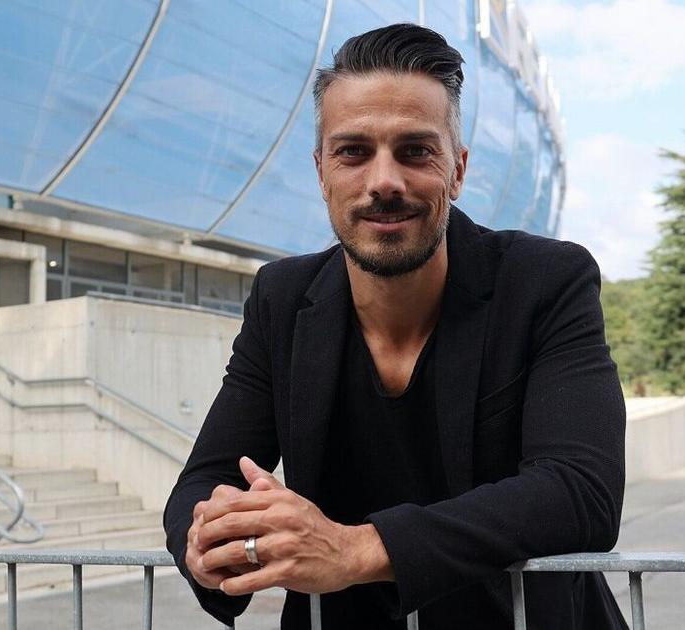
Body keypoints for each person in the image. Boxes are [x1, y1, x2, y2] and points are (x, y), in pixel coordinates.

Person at [163, 23, 627, 629]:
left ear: (457, 171)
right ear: (322, 172)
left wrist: (355, 550)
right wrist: (211, 539)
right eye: (353, 152)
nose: (384, 181)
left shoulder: (545, 281)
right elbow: (205, 479)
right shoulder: (281, 297)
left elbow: (580, 491)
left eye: (415, 151)